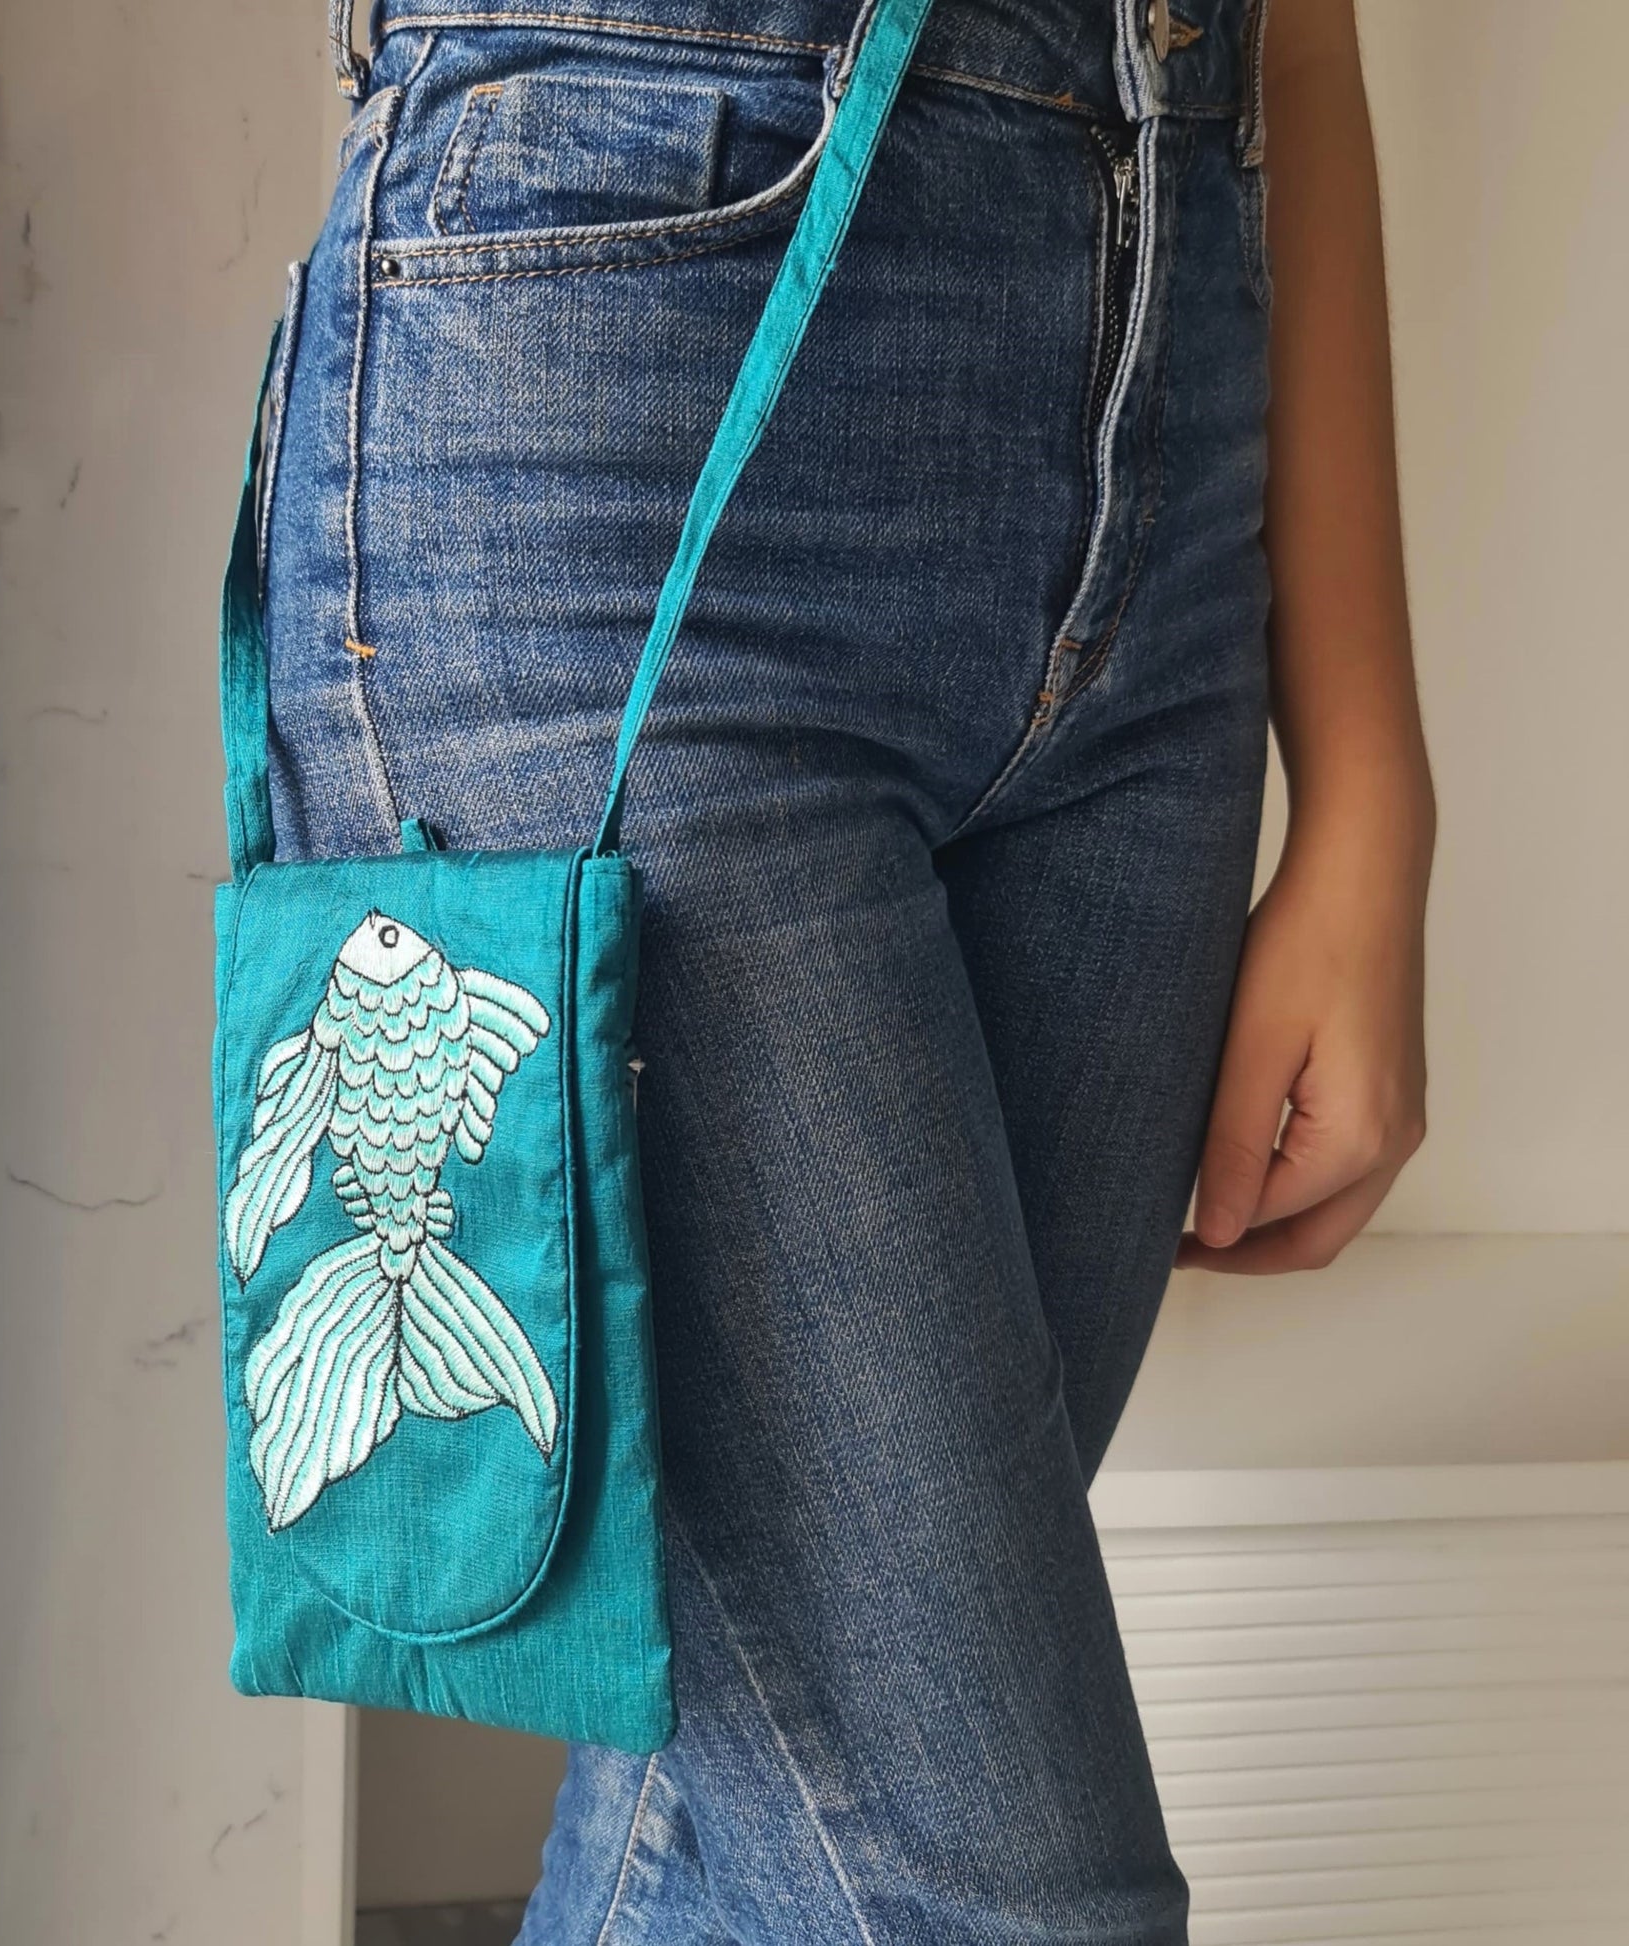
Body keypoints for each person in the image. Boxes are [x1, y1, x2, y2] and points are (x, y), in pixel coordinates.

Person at [259, 0, 1433, 1936]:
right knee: (994, 1893)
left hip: (1164, 450)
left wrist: (1373, 790)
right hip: (624, 394)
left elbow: (1300, 39)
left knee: (738, 1832)